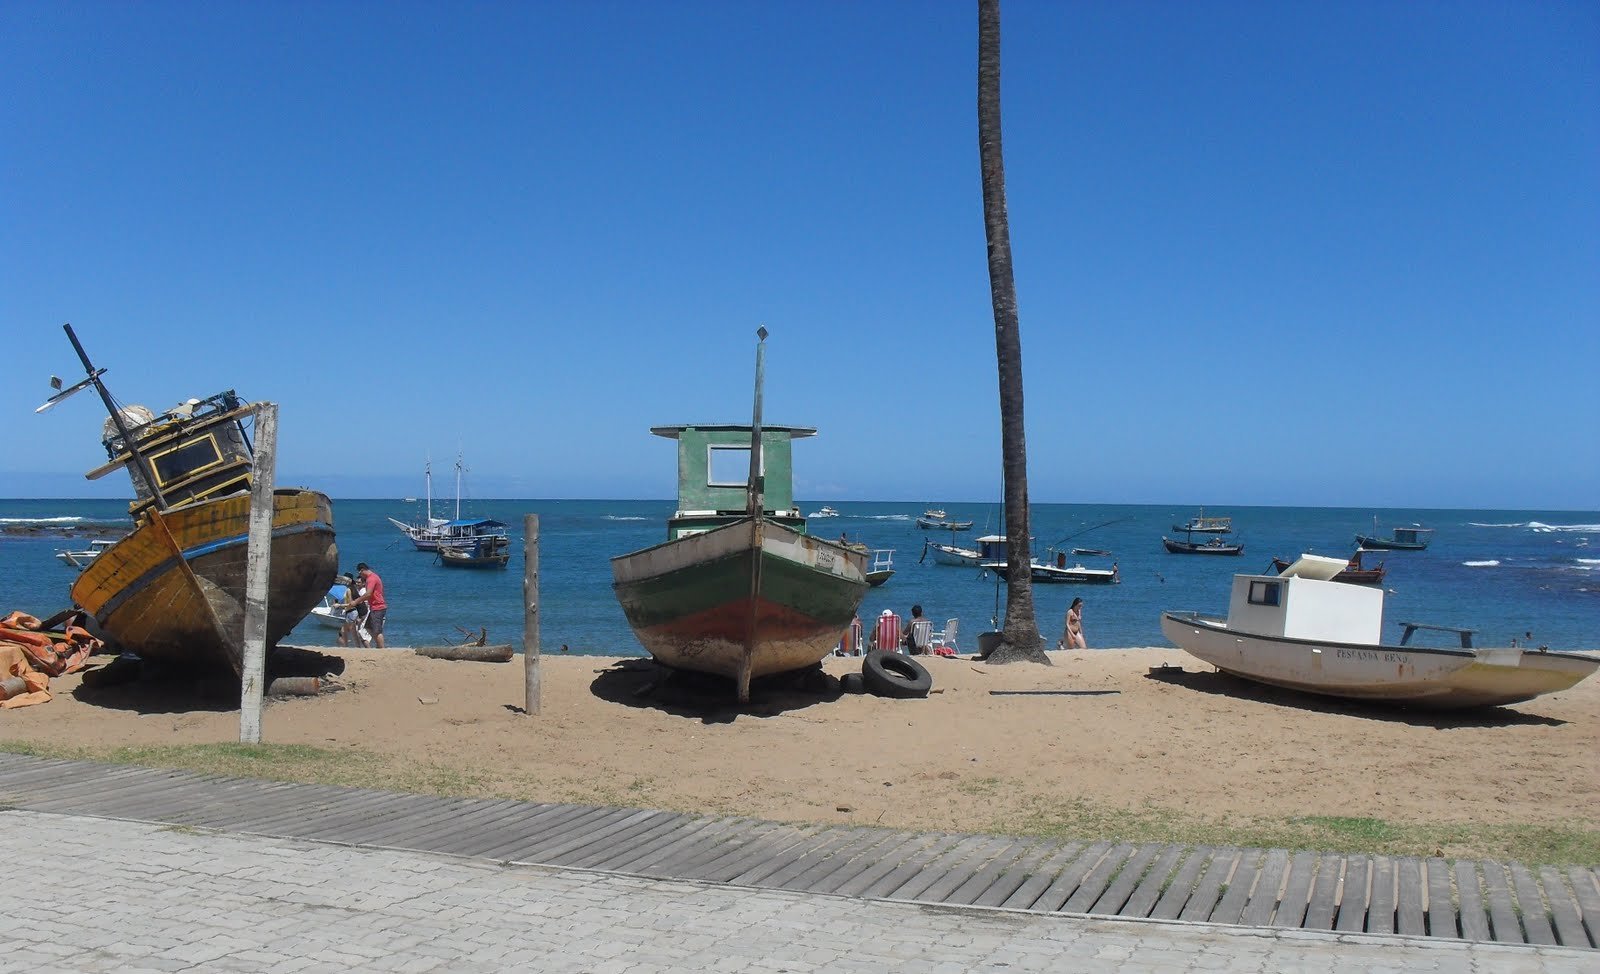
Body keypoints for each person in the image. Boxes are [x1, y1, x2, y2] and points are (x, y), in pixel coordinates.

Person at [346, 563, 388, 649]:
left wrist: (355, 602)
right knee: (368, 627)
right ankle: (379, 646)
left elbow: (368, 594)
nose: (360, 576)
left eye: (360, 574)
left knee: (376, 631)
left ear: (362, 570)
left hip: (378, 607)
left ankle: (382, 649)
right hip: (374, 607)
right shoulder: (373, 577)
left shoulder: (371, 579)